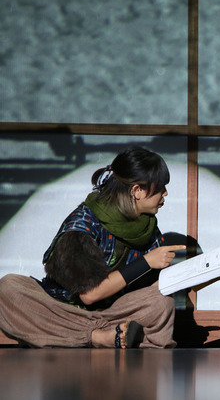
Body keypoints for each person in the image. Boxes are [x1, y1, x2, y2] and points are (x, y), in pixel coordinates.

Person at [0, 146, 185, 348]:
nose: (165, 193)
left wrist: (182, 278)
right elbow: (90, 295)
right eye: (160, 187)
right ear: (137, 191)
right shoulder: (83, 224)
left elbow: (148, 290)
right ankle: (97, 337)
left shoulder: (147, 226)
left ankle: (89, 336)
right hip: (61, 310)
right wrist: (146, 262)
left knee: (161, 302)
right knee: (8, 288)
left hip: (111, 313)